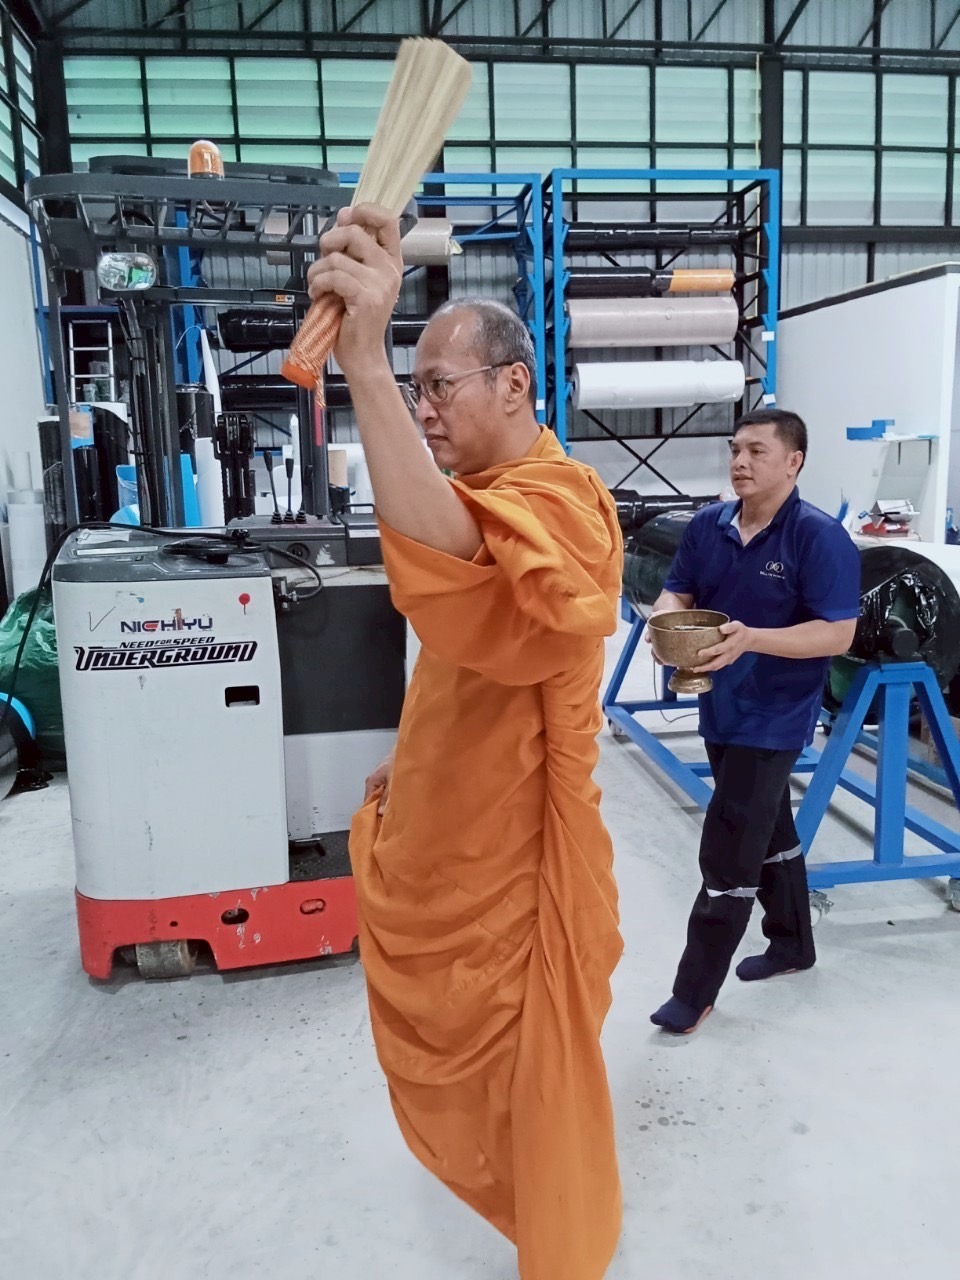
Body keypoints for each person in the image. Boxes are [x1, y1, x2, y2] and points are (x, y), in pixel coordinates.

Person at [307, 204, 624, 1280]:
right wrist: (415, 757)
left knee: (532, 1086)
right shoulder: (488, 496)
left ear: (516, 384)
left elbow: (454, 568)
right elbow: (460, 657)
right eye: (418, 387)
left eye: (439, 385)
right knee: (487, 1086)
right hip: (451, 820)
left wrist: (363, 362)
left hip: (521, 866)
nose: (427, 408)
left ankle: (564, 1248)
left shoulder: (566, 503)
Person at [648, 409, 860, 1036]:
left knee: (729, 848)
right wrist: (664, 622)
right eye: (736, 449)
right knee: (771, 829)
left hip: (776, 713)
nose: (740, 462)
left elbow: (837, 633)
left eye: (757, 452)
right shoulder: (708, 526)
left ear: (794, 462)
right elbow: (679, 590)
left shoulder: (818, 538)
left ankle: (693, 993)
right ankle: (792, 943)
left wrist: (753, 639)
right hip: (720, 702)